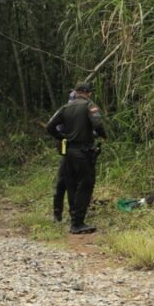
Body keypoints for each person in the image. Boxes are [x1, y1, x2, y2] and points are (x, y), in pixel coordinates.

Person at [45, 82, 107, 234]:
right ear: (89, 93)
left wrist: (62, 137)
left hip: (68, 152)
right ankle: (77, 223)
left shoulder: (66, 107)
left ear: (75, 92)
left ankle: (73, 219)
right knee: (86, 184)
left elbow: (49, 126)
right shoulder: (89, 106)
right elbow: (98, 123)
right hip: (83, 151)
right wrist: (103, 135)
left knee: (71, 184)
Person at [51, 91, 76, 222]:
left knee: (72, 185)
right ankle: (58, 213)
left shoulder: (84, 111)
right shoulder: (65, 112)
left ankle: (72, 214)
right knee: (62, 184)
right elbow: (56, 128)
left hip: (77, 152)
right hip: (68, 152)